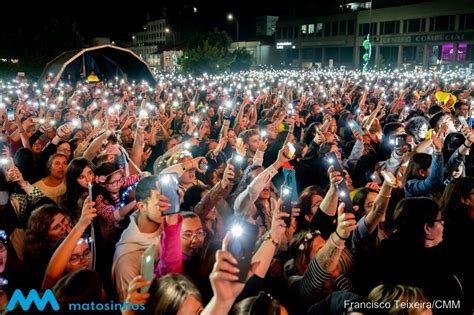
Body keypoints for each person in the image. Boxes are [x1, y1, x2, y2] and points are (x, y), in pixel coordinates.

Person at [377, 197, 464, 312]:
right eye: (440, 219)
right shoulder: (421, 271)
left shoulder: (438, 249)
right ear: (427, 228)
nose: (443, 223)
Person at [112, 175, 180, 302]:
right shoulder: (127, 259)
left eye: (167, 201)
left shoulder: (170, 222)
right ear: (141, 206)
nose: (166, 207)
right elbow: (131, 308)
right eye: (159, 203)